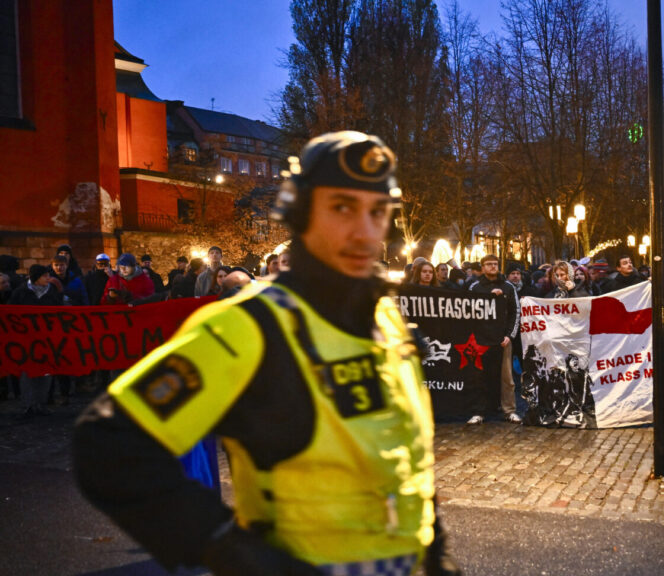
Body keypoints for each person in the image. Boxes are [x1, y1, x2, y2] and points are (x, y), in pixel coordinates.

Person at [73, 131, 461, 576]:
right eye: (341, 208)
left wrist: (435, 550)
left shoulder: (386, 318)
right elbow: (108, 441)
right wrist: (226, 548)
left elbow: (405, 450)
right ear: (301, 214)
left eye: (377, 211)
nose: (364, 230)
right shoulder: (249, 326)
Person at [467, 253, 522, 424]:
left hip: (502, 339)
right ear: (482, 268)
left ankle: (509, 410)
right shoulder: (475, 287)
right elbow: (468, 310)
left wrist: (510, 335)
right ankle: (479, 411)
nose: (493, 267)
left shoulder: (508, 287)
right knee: (479, 376)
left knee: (507, 378)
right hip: (480, 340)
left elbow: (515, 312)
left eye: (495, 264)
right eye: (489, 264)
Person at [9, 265, 63, 416]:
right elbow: (11, 314)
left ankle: (41, 403)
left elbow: (59, 312)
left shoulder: (51, 292)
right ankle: (28, 404)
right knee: (28, 372)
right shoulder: (21, 292)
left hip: (47, 339)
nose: (48, 278)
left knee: (45, 372)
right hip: (27, 340)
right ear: (36, 277)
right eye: (45, 276)